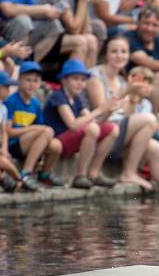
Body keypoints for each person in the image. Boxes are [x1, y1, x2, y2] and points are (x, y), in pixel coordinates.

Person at [86, 37, 159, 196]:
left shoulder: (121, 80)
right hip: (104, 135)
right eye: (114, 51)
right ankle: (129, 172)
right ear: (105, 54)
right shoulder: (95, 77)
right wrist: (127, 91)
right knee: (149, 119)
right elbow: (102, 111)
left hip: (121, 137)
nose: (119, 55)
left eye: (124, 52)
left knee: (156, 148)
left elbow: (127, 115)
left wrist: (132, 99)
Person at [43, 59, 120, 189]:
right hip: (58, 141)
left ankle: (94, 173)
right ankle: (80, 175)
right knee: (92, 129)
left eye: (83, 80)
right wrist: (99, 110)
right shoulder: (58, 96)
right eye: (75, 79)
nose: (80, 83)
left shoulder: (79, 98)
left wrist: (107, 113)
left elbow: (93, 122)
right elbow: (72, 124)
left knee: (113, 129)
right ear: (64, 80)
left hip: (72, 139)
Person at [4, 61, 64, 188]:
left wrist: (36, 129)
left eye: (35, 81)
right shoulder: (11, 101)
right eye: (28, 80)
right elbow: (8, 131)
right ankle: (26, 173)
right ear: (19, 80)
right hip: (13, 144)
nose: (32, 84)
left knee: (56, 145)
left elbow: (42, 135)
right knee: (47, 131)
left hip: (28, 144)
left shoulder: (36, 104)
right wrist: (34, 128)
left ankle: (44, 174)